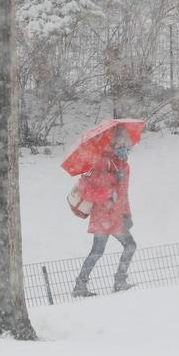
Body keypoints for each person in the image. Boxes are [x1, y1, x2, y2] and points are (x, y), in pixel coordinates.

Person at [72, 125, 137, 297]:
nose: (124, 149)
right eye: (120, 146)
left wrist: (127, 213)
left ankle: (117, 281)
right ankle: (82, 285)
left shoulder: (124, 166)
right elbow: (85, 190)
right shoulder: (101, 162)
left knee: (128, 246)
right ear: (113, 144)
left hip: (116, 217)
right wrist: (109, 194)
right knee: (99, 251)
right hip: (102, 216)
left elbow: (124, 194)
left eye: (126, 145)